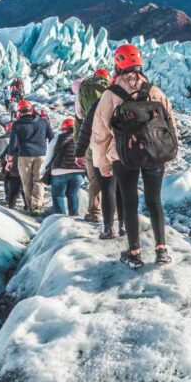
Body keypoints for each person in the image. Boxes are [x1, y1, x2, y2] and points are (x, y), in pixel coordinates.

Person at [91, 44, 177, 267]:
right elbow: (170, 123)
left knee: (129, 202)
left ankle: (135, 252)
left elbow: (99, 134)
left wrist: (103, 165)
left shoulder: (111, 95)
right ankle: (161, 250)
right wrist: (168, 151)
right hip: (155, 153)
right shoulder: (154, 91)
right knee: (154, 200)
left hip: (123, 155)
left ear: (117, 65)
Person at [76, 86, 125, 239]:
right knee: (123, 189)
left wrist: (79, 151)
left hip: (102, 151)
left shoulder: (99, 103)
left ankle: (108, 228)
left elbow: (85, 128)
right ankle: (123, 225)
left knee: (107, 188)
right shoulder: (129, 100)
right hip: (124, 152)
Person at [74, 68, 112, 221]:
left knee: (95, 178)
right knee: (113, 175)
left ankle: (95, 212)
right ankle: (115, 213)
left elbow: (79, 121)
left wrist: (79, 148)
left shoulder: (82, 93)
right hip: (110, 138)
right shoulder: (112, 91)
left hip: (91, 140)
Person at [6, 99, 54, 215]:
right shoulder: (43, 122)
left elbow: (12, 143)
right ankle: (37, 206)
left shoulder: (17, 124)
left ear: (19, 112)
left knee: (26, 182)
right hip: (41, 155)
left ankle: (30, 206)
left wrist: (10, 159)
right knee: (38, 181)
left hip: (24, 156)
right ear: (31, 109)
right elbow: (52, 138)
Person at [46, 118, 85, 215]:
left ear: (64, 129)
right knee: (72, 194)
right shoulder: (82, 139)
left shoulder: (57, 138)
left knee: (58, 196)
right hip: (78, 171)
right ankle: (74, 217)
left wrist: (44, 170)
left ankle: (60, 218)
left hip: (59, 171)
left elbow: (49, 155)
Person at [0, 122, 22, 209]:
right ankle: (17, 193)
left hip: (4, 160)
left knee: (6, 178)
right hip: (16, 160)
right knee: (17, 177)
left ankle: (7, 195)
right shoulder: (19, 138)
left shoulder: (1, 138)